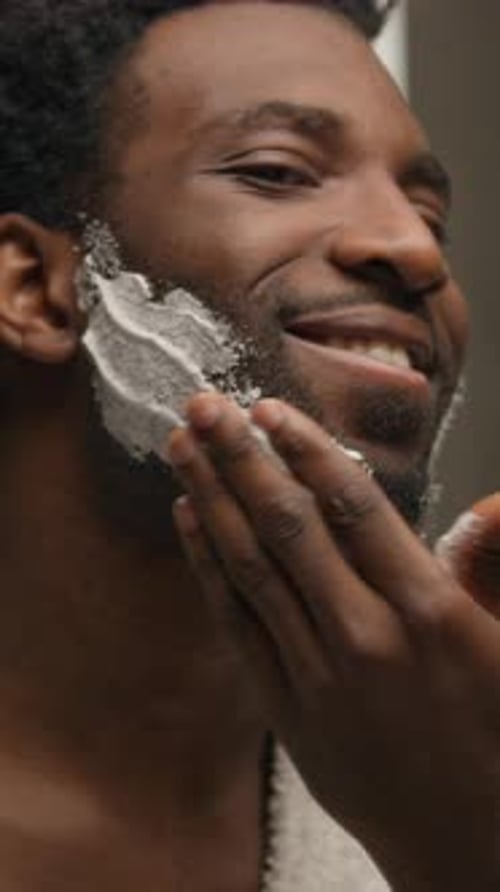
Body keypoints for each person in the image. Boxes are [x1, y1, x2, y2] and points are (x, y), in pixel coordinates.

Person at [0, 1, 498, 890]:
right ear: (36, 289)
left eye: (431, 213)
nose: (413, 249)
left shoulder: (460, 787)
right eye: (277, 171)